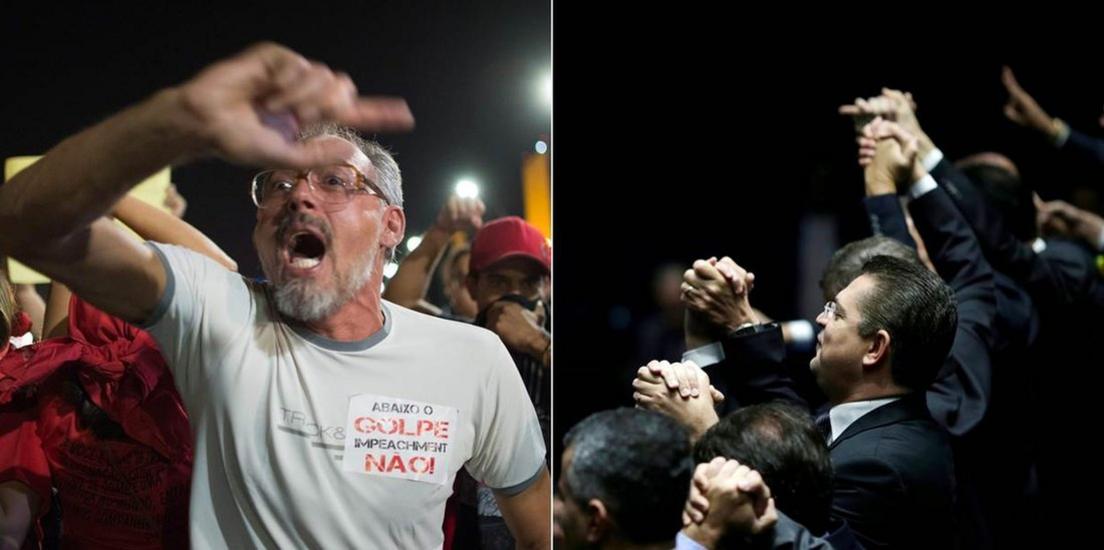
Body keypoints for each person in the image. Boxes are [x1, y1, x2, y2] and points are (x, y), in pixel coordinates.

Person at [0, 43, 549, 549]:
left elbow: (536, 525)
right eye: (278, 186)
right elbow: (27, 224)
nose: (298, 197)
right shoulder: (218, 315)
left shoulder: (472, 360)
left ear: (390, 224)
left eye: (334, 182)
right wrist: (176, 120)